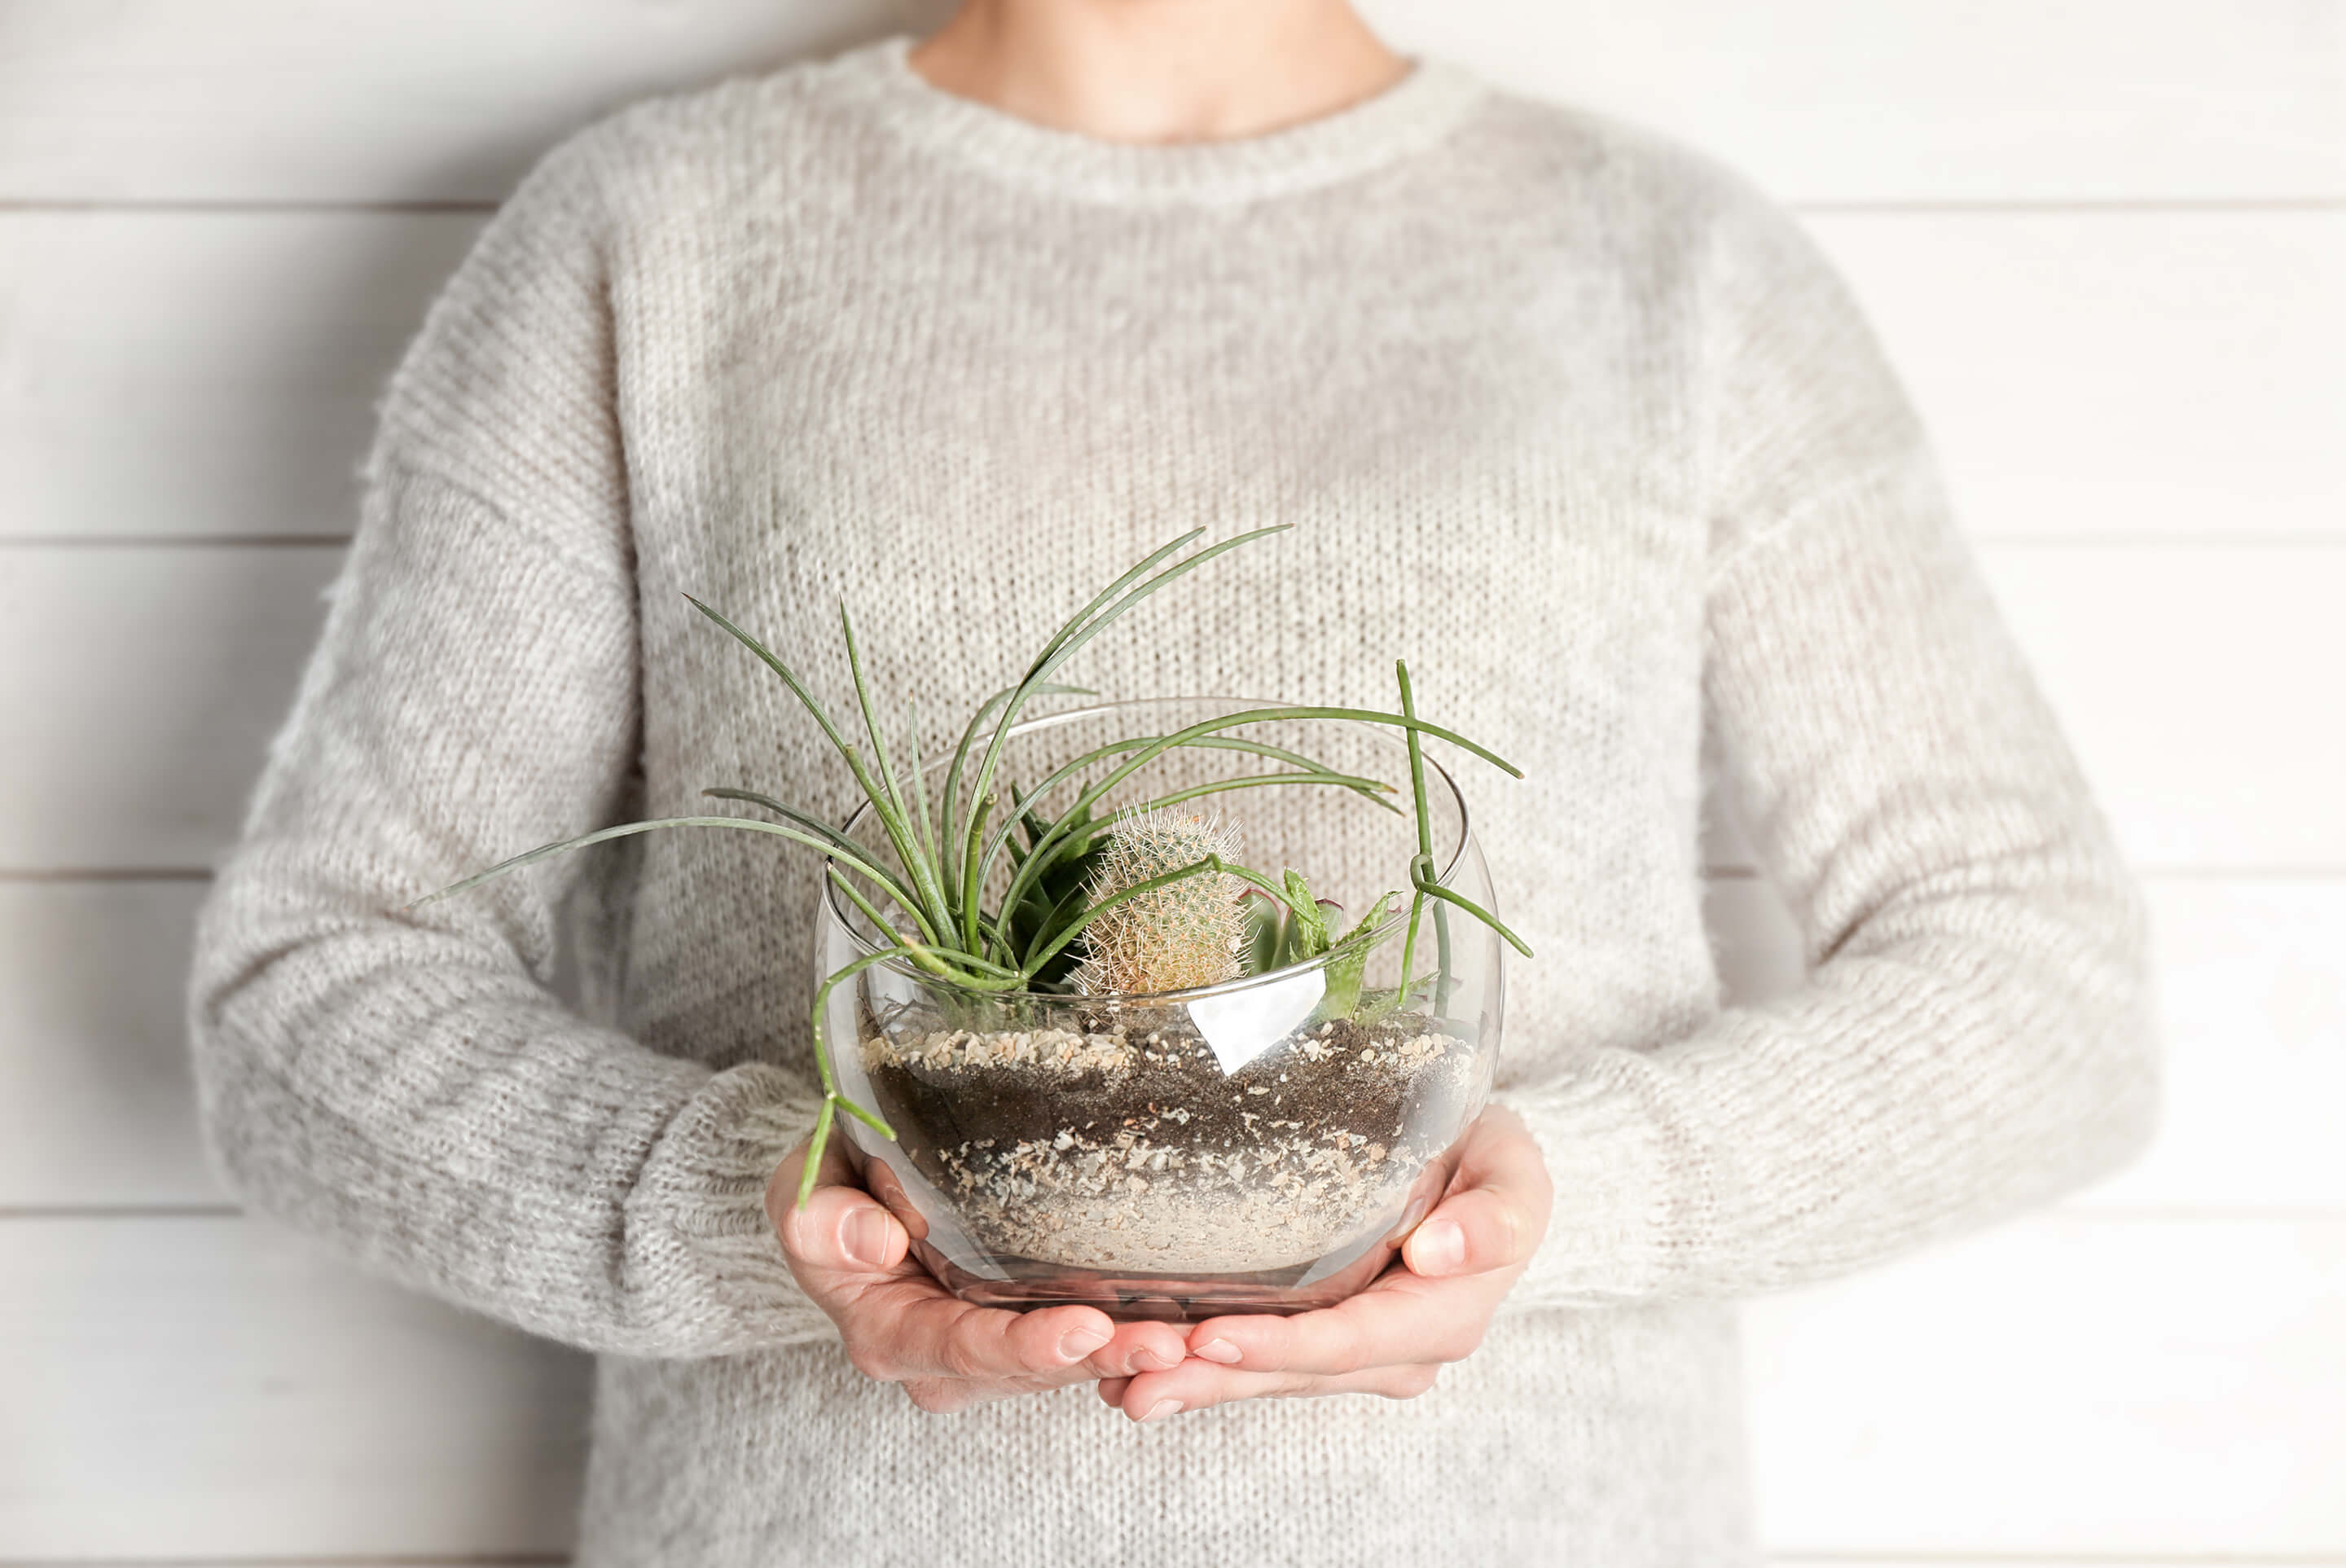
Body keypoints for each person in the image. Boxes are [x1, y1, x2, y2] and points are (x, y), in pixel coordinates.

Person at [186, 0, 2160, 1561]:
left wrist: (1564, 1205)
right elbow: (314, 994)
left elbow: (2038, 980)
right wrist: (768, 1213)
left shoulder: (1670, 270)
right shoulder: (652, 236)